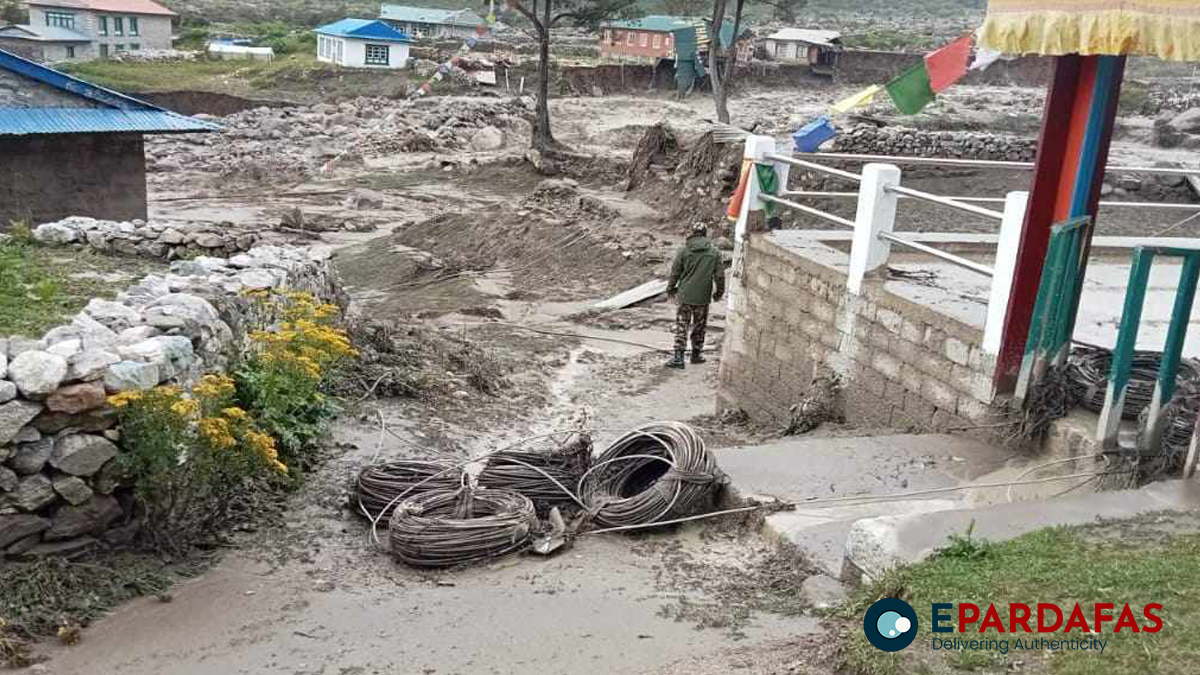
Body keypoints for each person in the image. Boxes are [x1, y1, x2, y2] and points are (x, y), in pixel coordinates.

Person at [665, 222, 725, 369]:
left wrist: (671, 288)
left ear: (692, 233)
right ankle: (696, 355)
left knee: (682, 325)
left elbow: (675, 273)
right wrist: (719, 292)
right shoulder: (714, 252)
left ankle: (678, 358)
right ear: (705, 234)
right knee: (700, 326)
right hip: (702, 297)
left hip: (685, 295)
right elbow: (720, 276)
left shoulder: (683, 251)